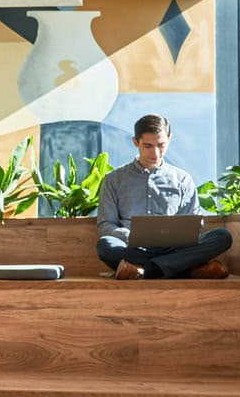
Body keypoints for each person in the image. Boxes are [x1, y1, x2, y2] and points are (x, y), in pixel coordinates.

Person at [95, 114, 232, 280]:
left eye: (161, 145)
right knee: (105, 245)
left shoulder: (183, 179)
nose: (156, 153)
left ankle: (145, 271)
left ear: (170, 139)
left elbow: (196, 227)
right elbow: (105, 224)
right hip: (134, 249)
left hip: (175, 249)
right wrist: (128, 235)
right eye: (148, 146)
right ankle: (185, 270)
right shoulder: (114, 179)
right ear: (135, 142)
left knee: (222, 237)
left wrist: (181, 237)